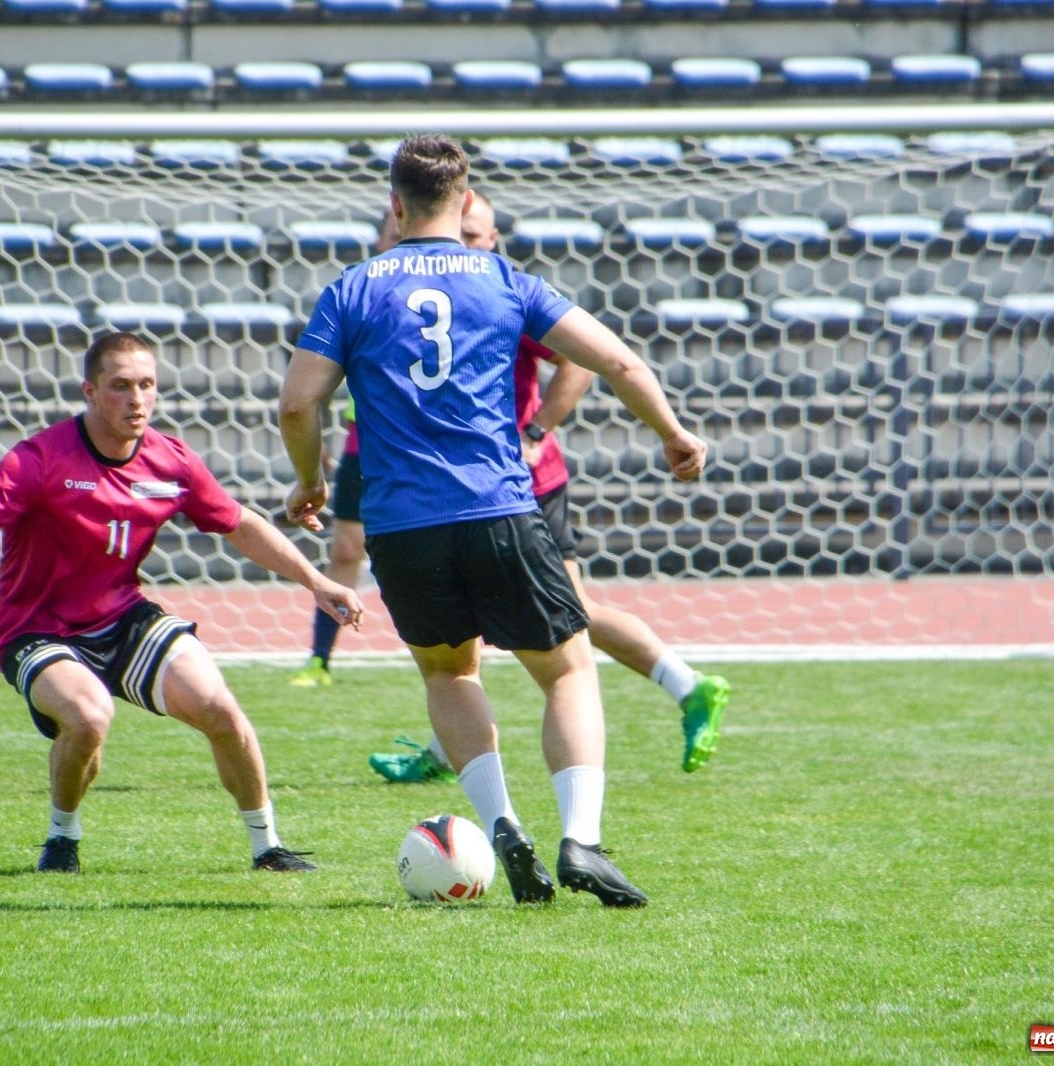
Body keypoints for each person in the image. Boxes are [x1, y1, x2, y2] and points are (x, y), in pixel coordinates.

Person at [279, 134, 708, 908]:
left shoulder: (352, 288)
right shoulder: (505, 279)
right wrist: (673, 434)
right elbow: (618, 362)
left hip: (401, 526)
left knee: (450, 671)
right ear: (464, 196)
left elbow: (295, 402)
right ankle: (581, 837)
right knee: (568, 666)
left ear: (396, 206)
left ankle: (503, 822)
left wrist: (309, 484)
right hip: (499, 508)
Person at [0, 331, 364, 875]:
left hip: (121, 617)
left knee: (219, 707)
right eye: (120, 386)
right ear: (90, 392)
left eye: (146, 385)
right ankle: (61, 840)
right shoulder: (40, 458)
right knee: (88, 716)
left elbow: (240, 525)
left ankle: (268, 848)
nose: (137, 399)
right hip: (36, 629)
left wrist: (317, 581)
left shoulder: (170, 461)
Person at [364, 190, 729, 781]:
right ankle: (444, 750)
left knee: (563, 619)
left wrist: (536, 429)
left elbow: (584, 359)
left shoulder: (491, 290)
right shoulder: (397, 297)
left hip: (517, 482)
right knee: (479, 624)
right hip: (467, 484)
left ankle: (688, 686)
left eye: (478, 234)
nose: (468, 242)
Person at [286, 208, 401, 688]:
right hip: (364, 442)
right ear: (378, 239)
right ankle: (319, 659)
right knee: (346, 548)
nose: (397, 243)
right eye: (390, 236)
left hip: (414, 448)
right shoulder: (362, 294)